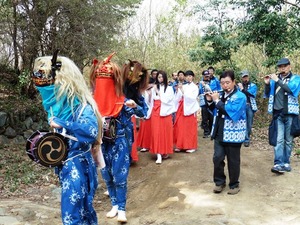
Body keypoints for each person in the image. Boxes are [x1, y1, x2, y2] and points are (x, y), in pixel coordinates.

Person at [32, 53, 102, 225]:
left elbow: (91, 130)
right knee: (79, 214)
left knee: (74, 217)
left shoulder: (82, 106)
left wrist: (63, 123)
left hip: (79, 166)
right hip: (66, 166)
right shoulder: (59, 107)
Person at [90, 53, 147, 223]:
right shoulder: (93, 101)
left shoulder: (123, 99)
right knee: (106, 173)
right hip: (101, 141)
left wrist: (134, 106)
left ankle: (122, 208)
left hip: (120, 140)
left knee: (119, 174)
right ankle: (114, 204)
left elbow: (144, 113)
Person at [205, 70, 246, 195]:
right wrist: (210, 101)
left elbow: (230, 111)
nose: (225, 85)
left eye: (228, 82)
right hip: (219, 131)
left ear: (234, 82)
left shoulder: (240, 96)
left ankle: (234, 184)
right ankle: (219, 182)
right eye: (222, 83)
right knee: (217, 158)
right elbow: (214, 109)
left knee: (233, 160)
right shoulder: (221, 94)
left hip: (233, 133)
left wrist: (217, 101)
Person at [264, 57, 300, 174]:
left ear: (289, 66)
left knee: (288, 140)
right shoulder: (275, 79)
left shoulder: (295, 78)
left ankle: (286, 162)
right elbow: (268, 94)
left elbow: (291, 90)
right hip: (277, 113)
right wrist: (267, 84)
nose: (282, 68)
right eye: (280, 66)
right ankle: (278, 163)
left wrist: (277, 80)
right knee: (279, 140)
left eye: (284, 66)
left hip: (289, 113)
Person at [150, 70, 175, 164]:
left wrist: (158, 93)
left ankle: (165, 151)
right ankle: (158, 154)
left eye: (161, 77)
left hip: (165, 112)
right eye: (159, 77)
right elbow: (151, 102)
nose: (160, 79)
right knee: (156, 133)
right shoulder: (154, 88)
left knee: (165, 132)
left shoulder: (169, 88)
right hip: (155, 112)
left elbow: (168, 101)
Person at [173, 70, 199, 153]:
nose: (188, 77)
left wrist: (183, 91)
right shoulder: (183, 86)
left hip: (190, 109)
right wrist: (178, 91)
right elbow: (178, 97)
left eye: (190, 76)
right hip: (182, 108)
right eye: (187, 76)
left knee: (190, 128)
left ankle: (191, 146)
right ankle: (180, 145)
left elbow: (192, 98)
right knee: (179, 126)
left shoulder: (195, 87)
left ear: (193, 77)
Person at [237, 70, 258, 147]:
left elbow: (251, 94)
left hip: (249, 106)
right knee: (241, 122)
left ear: (248, 77)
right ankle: (243, 138)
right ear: (241, 78)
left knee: (249, 123)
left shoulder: (253, 86)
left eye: (246, 77)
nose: (245, 79)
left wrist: (242, 89)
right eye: (244, 77)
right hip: (241, 106)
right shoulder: (238, 86)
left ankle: (247, 138)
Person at [199, 70, 214, 138]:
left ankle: (211, 131)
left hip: (211, 101)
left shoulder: (213, 81)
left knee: (211, 117)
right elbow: (199, 92)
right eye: (205, 76)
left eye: (208, 76)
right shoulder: (200, 83)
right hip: (204, 101)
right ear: (203, 76)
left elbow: (215, 89)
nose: (207, 77)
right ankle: (206, 132)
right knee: (204, 118)